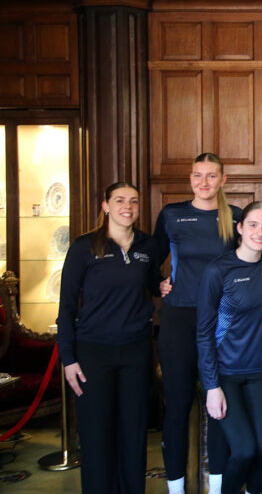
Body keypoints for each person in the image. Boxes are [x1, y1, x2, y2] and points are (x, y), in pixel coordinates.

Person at [57, 182, 161, 494]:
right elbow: (66, 305)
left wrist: (165, 286)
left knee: (133, 434)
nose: (127, 207)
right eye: (119, 200)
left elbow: (153, 284)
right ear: (105, 206)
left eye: (133, 201)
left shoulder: (148, 246)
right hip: (93, 353)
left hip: (136, 351)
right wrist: (68, 359)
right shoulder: (84, 247)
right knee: (96, 436)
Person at [154, 153, 241, 494]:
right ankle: (176, 487)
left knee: (219, 405)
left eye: (211, 176)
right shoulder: (172, 214)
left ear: (223, 180)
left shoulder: (235, 217)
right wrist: (158, 285)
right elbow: (150, 260)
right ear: (190, 178)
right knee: (177, 405)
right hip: (179, 317)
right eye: (197, 175)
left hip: (222, 320)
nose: (204, 182)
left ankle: (216, 485)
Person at [197, 202, 262, 494]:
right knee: (243, 451)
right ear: (240, 228)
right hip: (226, 374)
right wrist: (211, 386)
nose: (260, 232)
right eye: (253, 225)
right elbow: (204, 332)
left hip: (261, 372)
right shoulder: (218, 270)